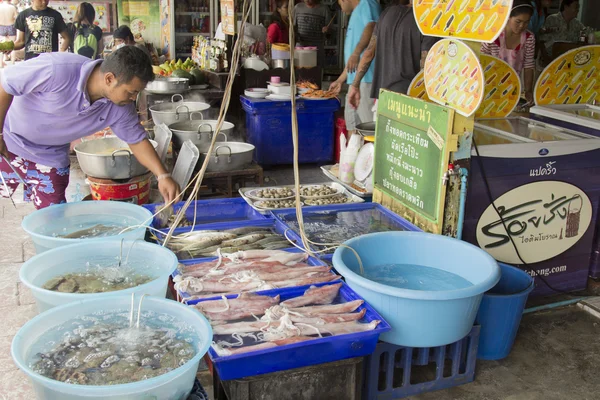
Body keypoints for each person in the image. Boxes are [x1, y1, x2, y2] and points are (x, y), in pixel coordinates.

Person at [0, 47, 180, 209]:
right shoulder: (57, 69)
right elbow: (5, 84)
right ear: (109, 78)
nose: (134, 98)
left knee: (53, 217)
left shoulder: (121, 106)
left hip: (50, 157)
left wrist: (162, 175)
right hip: (8, 142)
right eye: (131, 91)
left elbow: (137, 140)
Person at [348, 0, 437, 110]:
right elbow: (425, 66)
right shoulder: (427, 20)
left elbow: (368, 53)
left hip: (384, 98)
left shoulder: (386, 14)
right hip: (409, 101)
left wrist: (355, 85)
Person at [329, 0, 380, 132]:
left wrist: (357, 52)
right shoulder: (354, 14)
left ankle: (370, 153)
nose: (341, 8)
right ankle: (352, 153)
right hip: (354, 84)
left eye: (340, 4)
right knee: (352, 127)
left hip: (366, 80)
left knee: (369, 128)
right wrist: (340, 80)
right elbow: (353, 61)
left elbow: (372, 26)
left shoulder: (367, 4)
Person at [482, 0, 536, 104]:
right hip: (488, 84)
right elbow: (483, 60)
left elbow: (528, 65)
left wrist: (528, 91)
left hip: (512, 87)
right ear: (508, 17)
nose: (522, 26)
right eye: (518, 21)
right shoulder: (493, 36)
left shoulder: (529, 38)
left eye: (526, 22)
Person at [294, 0, 330, 67]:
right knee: (299, 72)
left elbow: (331, 31)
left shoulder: (324, 9)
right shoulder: (297, 8)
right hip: (301, 48)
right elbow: (292, 27)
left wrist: (327, 30)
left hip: (317, 49)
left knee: (317, 72)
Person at [0, 0, 17, 66]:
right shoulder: (12, 7)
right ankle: (13, 63)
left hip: (1, 26)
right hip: (11, 26)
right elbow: (16, 17)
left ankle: (1, 63)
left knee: (1, 46)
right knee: (12, 45)